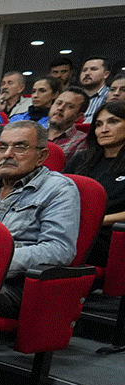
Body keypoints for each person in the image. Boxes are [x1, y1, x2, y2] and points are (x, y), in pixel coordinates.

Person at [0, 121, 80, 318]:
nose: (7, 154)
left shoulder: (58, 189)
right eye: (2, 147)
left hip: (15, 283)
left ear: (42, 156)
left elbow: (59, 249)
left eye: (19, 147)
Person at [65, 101, 125, 266]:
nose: (104, 129)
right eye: (99, 124)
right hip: (68, 227)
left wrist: (97, 221)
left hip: (107, 234)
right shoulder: (81, 159)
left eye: (113, 122)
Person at [47, 88, 90, 159]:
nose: (60, 108)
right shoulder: (36, 134)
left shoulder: (82, 141)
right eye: (59, 103)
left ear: (78, 116)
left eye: (70, 106)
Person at [80, 57, 111, 122]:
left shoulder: (111, 96)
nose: (87, 73)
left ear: (106, 74)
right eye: (84, 70)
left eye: (93, 69)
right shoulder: (71, 96)